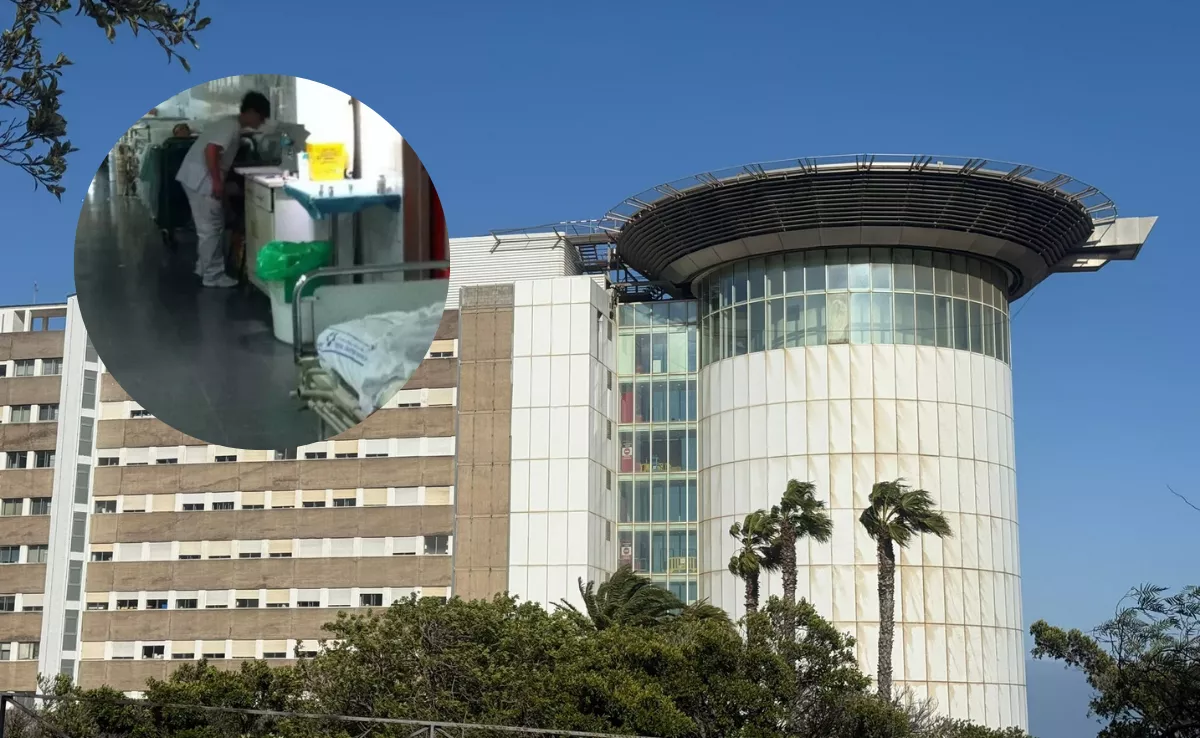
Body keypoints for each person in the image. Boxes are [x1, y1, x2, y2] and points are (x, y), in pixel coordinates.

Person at [175, 92, 271, 288]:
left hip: (196, 177)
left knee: (208, 228)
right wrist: (217, 183)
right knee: (211, 229)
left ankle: (203, 268)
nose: (261, 123)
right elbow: (211, 150)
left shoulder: (231, 124)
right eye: (260, 118)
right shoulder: (230, 126)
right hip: (202, 180)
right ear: (251, 112)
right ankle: (213, 276)